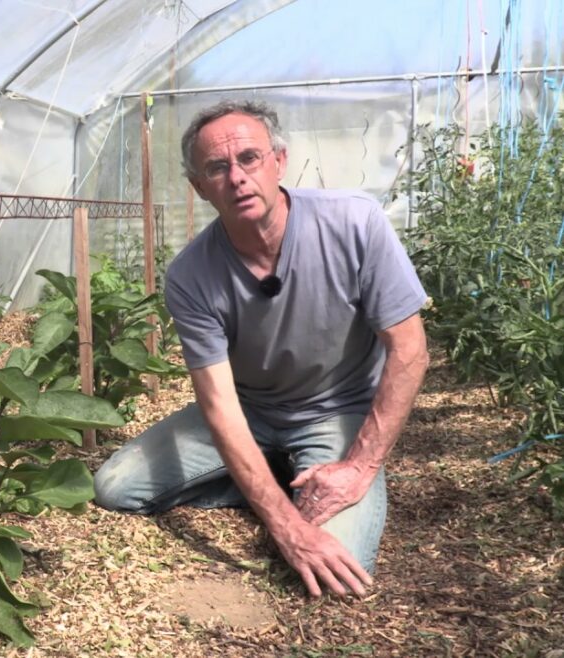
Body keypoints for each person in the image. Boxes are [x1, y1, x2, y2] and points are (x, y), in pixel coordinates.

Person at [93, 100, 429, 598]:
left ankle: (296, 469)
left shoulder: (354, 224)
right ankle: (275, 475)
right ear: (199, 188)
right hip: (252, 411)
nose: (237, 177)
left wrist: (359, 467)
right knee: (116, 487)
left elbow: (410, 351)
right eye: (217, 168)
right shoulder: (191, 275)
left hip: (340, 409)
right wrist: (286, 528)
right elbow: (220, 406)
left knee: (340, 565)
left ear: (279, 161)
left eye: (249, 158)